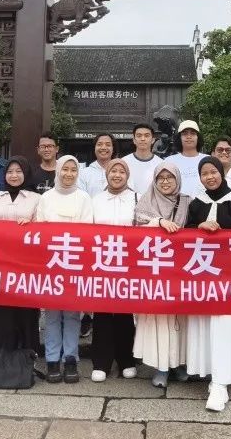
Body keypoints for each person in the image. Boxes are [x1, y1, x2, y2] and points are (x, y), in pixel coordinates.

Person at [185, 157, 231, 412]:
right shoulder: (197, 202)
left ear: (222, 173)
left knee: (225, 324)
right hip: (203, 277)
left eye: (213, 172)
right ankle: (211, 373)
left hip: (229, 278)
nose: (210, 177)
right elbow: (186, 234)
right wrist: (199, 226)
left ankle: (221, 382)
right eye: (204, 173)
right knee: (205, 326)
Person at [132, 161, 192, 388]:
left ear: (178, 179)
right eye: (161, 178)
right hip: (154, 271)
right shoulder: (145, 201)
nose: (165, 182)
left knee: (180, 319)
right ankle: (161, 367)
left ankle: (178, 363)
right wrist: (158, 222)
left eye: (170, 177)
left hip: (181, 270)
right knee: (158, 320)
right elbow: (135, 231)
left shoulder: (187, 202)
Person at [0, 158, 42, 355]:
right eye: (10, 171)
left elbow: (43, 228)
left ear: (26, 174)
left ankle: (26, 354)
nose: (14, 175)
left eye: (18, 171)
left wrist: (31, 226)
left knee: (24, 308)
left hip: (25, 265)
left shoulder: (36, 198)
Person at [37, 154, 94, 382]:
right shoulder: (46, 198)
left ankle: (70, 358)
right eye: (65, 169)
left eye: (73, 170)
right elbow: (40, 229)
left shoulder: (84, 198)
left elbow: (88, 230)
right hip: (51, 263)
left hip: (75, 263)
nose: (68, 174)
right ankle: (52, 359)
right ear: (57, 170)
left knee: (72, 314)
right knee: (51, 314)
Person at [88, 159, 139, 382]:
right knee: (102, 312)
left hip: (128, 262)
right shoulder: (96, 200)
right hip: (101, 261)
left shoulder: (137, 198)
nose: (117, 175)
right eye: (113, 171)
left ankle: (126, 360)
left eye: (121, 172)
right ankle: (101, 362)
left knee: (125, 313)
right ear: (107, 174)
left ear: (127, 176)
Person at [164, 120, 208, 194]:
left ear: (198, 137)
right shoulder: (169, 161)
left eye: (193, 133)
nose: (189, 137)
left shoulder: (208, 159)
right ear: (179, 138)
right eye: (185, 134)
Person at [122, 123, 163, 195]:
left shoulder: (161, 164)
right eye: (139, 136)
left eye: (147, 136)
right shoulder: (123, 162)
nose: (143, 139)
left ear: (153, 140)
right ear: (134, 140)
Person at [78, 133, 116, 197]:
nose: (103, 147)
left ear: (113, 149)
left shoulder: (121, 173)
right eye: (99, 144)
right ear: (94, 148)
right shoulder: (84, 173)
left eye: (108, 145)